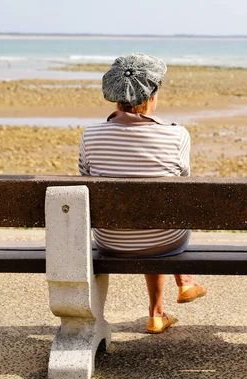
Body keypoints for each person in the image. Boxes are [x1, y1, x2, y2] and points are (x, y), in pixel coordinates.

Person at [78, 53, 206, 334]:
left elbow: (84, 181)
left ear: (115, 97)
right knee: (161, 215)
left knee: (145, 214)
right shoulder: (177, 135)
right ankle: (182, 284)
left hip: (111, 240)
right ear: (151, 97)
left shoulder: (90, 136)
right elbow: (183, 185)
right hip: (166, 239)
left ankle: (158, 313)